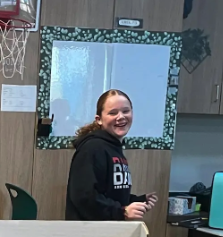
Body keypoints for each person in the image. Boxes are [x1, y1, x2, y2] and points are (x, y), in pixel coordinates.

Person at [65, 89, 157, 221]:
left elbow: (111, 194)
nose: (121, 117)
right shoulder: (92, 148)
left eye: (126, 111)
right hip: (90, 235)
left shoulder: (114, 147)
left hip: (111, 231)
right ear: (99, 120)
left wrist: (137, 201)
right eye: (113, 113)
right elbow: (84, 196)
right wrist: (122, 211)